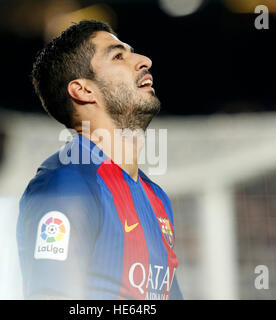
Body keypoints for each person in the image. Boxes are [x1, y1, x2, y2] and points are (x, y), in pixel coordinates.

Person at [17, 20, 183, 300]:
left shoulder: (156, 197)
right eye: (118, 56)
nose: (144, 60)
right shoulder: (66, 185)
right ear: (83, 90)